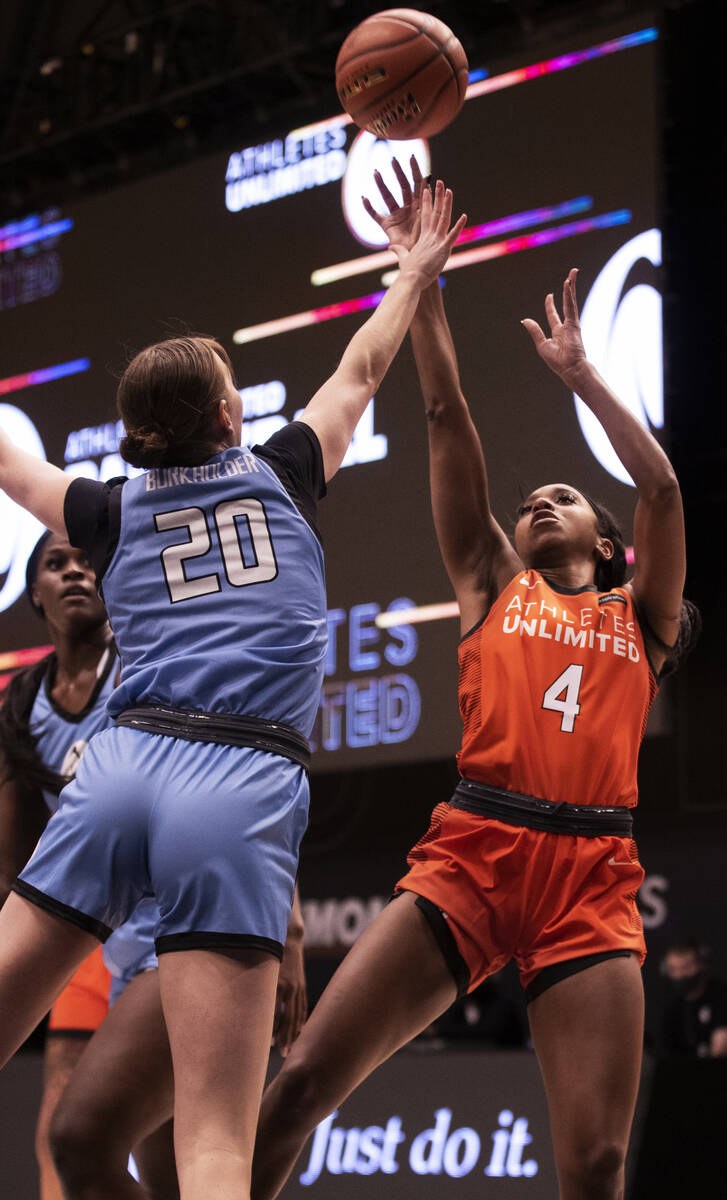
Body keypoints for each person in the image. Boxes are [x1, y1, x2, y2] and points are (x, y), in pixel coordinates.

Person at [0, 176, 465, 1200]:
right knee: (215, 1141)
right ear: (229, 412)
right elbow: (363, 363)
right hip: (238, 780)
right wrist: (415, 268)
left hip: (124, 764)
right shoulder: (287, 468)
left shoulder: (106, 507)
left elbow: (12, 465)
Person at [249, 160, 700, 1200]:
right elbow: (447, 414)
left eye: (566, 497)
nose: (542, 502)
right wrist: (426, 283)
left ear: (605, 540)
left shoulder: (641, 618)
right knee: (303, 1080)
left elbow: (664, 490)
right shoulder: (492, 582)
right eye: (533, 497)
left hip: (591, 879)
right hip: (477, 849)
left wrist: (585, 378)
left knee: (591, 1164)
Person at [1, 532, 307, 1200]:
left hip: (201, 926)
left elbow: (244, 778)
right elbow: (19, 872)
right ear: (35, 595)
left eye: (88, 561)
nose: (77, 572)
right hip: (121, 954)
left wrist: (288, 931)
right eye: (57, 564)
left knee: (80, 1140)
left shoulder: (147, 665)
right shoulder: (23, 706)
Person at [660, 938, 727, 1057]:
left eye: (686, 967)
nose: (680, 975)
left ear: (701, 964)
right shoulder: (671, 1010)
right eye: (674, 969)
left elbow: (720, 1048)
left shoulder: (721, 996)